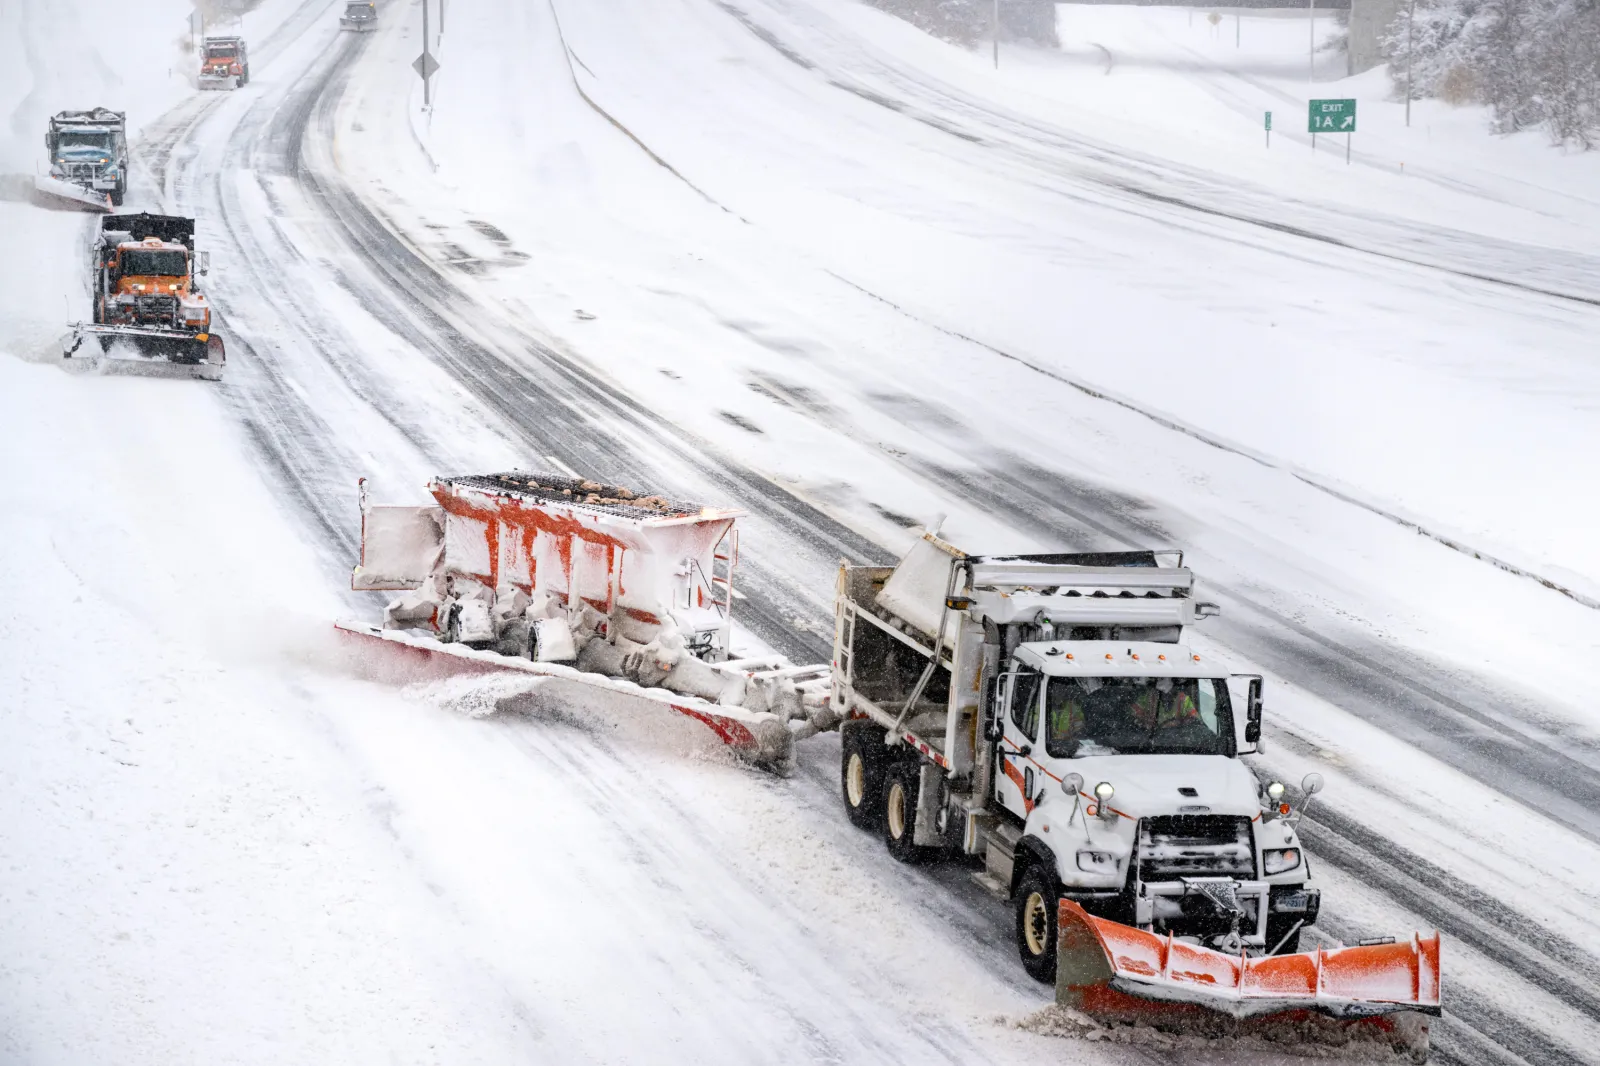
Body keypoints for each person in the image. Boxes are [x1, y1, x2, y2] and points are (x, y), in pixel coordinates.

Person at [1130, 678, 1200, 731]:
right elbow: (1132, 713)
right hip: (1151, 735)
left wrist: (1179, 722)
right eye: (1162, 689)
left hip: (1175, 738)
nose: (1166, 690)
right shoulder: (1148, 697)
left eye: (1170, 688)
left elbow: (1194, 719)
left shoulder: (1183, 699)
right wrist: (1144, 719)